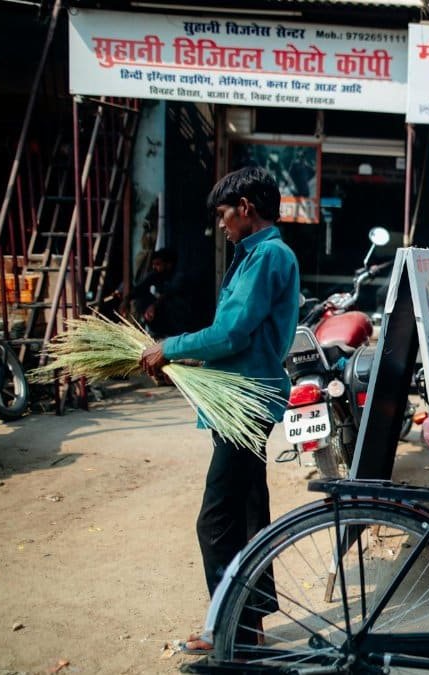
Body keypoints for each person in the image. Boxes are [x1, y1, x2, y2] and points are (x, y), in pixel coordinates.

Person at [139, 166, 300, 653]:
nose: (222, 225)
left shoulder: (267, 256)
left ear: (246, 208)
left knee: (216, 521)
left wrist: (171, 346)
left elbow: (232, 333)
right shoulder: (260, 255)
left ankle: (228, 626)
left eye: (225, 215)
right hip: (244, 396)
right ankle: (247, 627)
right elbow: (237, 336)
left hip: (246, 402)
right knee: (248, 514)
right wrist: (186, 356)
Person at [128, 248, 191, 338]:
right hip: (164, 314)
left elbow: (169, 294)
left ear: (168, 265)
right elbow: (140, 288)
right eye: (153, 264)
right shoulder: (156, 274)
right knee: (141, 299)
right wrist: (126, 300)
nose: (154, 267)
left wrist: (154, 306)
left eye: (158, 264)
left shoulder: (179, 276)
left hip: (180, 316)